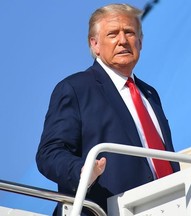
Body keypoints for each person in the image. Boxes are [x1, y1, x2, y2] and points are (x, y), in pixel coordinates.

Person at [36, 3, 180, 215]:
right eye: (113, 34)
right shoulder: (75, 89)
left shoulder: (150, 95)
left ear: (140, 42)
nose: (123, 40)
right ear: (94, 44)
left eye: (129, 32)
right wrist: (83, 171)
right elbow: (49, 153)